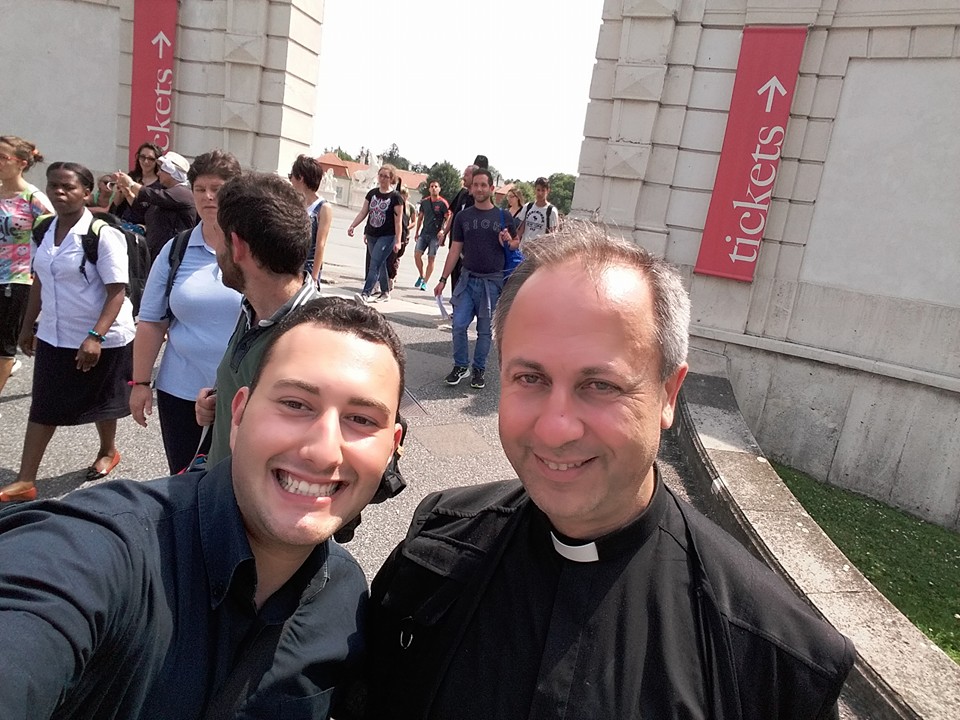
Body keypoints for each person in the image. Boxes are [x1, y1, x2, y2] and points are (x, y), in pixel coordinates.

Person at [365, 224, 856, 720]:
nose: (556, 428)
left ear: (669, 395)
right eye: (530, 378)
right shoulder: (435, 549)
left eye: (600, 385)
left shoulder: (769, 660)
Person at [0, 296, 406, 719]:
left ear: (391, 449)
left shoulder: (345, 600)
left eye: (362, 420)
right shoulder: (106, 552)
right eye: (295, 404)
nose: (323, 453)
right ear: (238, 414)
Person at [0, 162, 135, 503]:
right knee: (44, 403)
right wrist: (28, 325)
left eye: (69, 187)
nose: (59, 192)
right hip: (55, 333)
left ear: (86, 193)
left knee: (102, 401)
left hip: (101, 334)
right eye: (54, 185)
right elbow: (39, 280)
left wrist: (95, 337)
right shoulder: (44, 229)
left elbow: (117, 291)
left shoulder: (103, 234)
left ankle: (108, 450)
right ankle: (26, 480)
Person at [195, 171, 320, 467]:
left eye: (218, 236)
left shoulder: (314, 337)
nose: (215, 250)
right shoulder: (251, 307)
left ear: (237, 246)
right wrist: (219, 401)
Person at [130, 150, 243, 473]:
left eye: (217, 189)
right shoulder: (176, 250)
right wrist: (140, 383)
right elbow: (151, 322)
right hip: (180, 391)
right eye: (200, 189)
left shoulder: (255, 250)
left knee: (239, 483)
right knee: (184, 480)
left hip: (243, 394)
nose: (208, 197)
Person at [433, 168, 517, 390]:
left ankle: (479, 369)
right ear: (470, 188)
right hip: (467, 279)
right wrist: (442, 279)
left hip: (492, 282)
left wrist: (508, 241)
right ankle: (461, 365)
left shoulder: (503, 216)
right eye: (475, 185)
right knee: (459, 324)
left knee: (484, 331)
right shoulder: (463, 217)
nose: (479, 189)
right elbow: (455, 250)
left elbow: (515, 244)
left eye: (483, 185)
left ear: (491, 188)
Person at [0, 136, 52, 404]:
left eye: (2, 157)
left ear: (21, 163)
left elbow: (54, 237)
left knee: (4, 346)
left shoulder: (34, 198)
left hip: (17, 278)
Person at [116, 151, 197, 260]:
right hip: (157, 254)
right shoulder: (168, 193)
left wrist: (131, 184)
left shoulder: (182, 193)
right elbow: (144, 210)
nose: (158, 173)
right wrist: (127, 192)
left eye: (161, 170)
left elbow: (152, 195)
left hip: (173, 256)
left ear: (171, 172)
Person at [348, 164, 402, 304]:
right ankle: (385, 292)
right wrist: (353, 225)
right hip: (372, 234)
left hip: (387, 236)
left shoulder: (396, 197)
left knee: (374, 264)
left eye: (386, 176)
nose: (382, 179)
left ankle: (365, 294)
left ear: (391, 179)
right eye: (381, 175)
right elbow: (363, 212)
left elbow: (398, 222)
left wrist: (398, 240)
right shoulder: (372, 193)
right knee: (379, 263)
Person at [289, 153, 333, 285]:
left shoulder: (323, 208)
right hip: (292, 265)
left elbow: (320, 244)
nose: (290, 180)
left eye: (291, 176)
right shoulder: (295, 202)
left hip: (308, 268)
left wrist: (314, 277)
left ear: (301, 178)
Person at [439, 164, 476, 297]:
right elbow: (453, 214)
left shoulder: (477, 198)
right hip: (454, 242)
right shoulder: (462, 194)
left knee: (463, 277)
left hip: (467, 248)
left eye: (466, 175)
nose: (463, 177)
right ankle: (455, 303)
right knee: (454, 276)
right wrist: (444, 232)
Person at [109, 141, 161, 225]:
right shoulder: (132, 176)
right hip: (123, 222)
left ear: (157, 161)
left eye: (151, 159)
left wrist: (129, 191)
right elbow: (116, 205)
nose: (146, 161)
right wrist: (120, 188)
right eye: (142, 157)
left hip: (144, 226)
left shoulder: (160, 184)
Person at [412, 180, 449, 290]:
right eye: (432, 186)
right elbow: (420, 218)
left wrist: (443, 230)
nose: (433, 188)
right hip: (424, 233)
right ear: (429, 189)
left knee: (431, 258)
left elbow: (448, 218)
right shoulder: (425, 202)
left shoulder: (443, 203)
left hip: (435, 235)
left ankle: (425, 282)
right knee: (417, 255)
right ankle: (421, 275)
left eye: (436, 186)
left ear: (439, 189)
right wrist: (417, 232)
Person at [516, 176, 559, 246]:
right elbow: (520, 229)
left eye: (543, 190)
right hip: (524, 247)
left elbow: (553, 235)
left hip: (540, 249)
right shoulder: (528, 207)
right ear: (535, 190)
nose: (540, 193)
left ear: (548, 191)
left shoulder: (551, 211)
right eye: (538, 190)